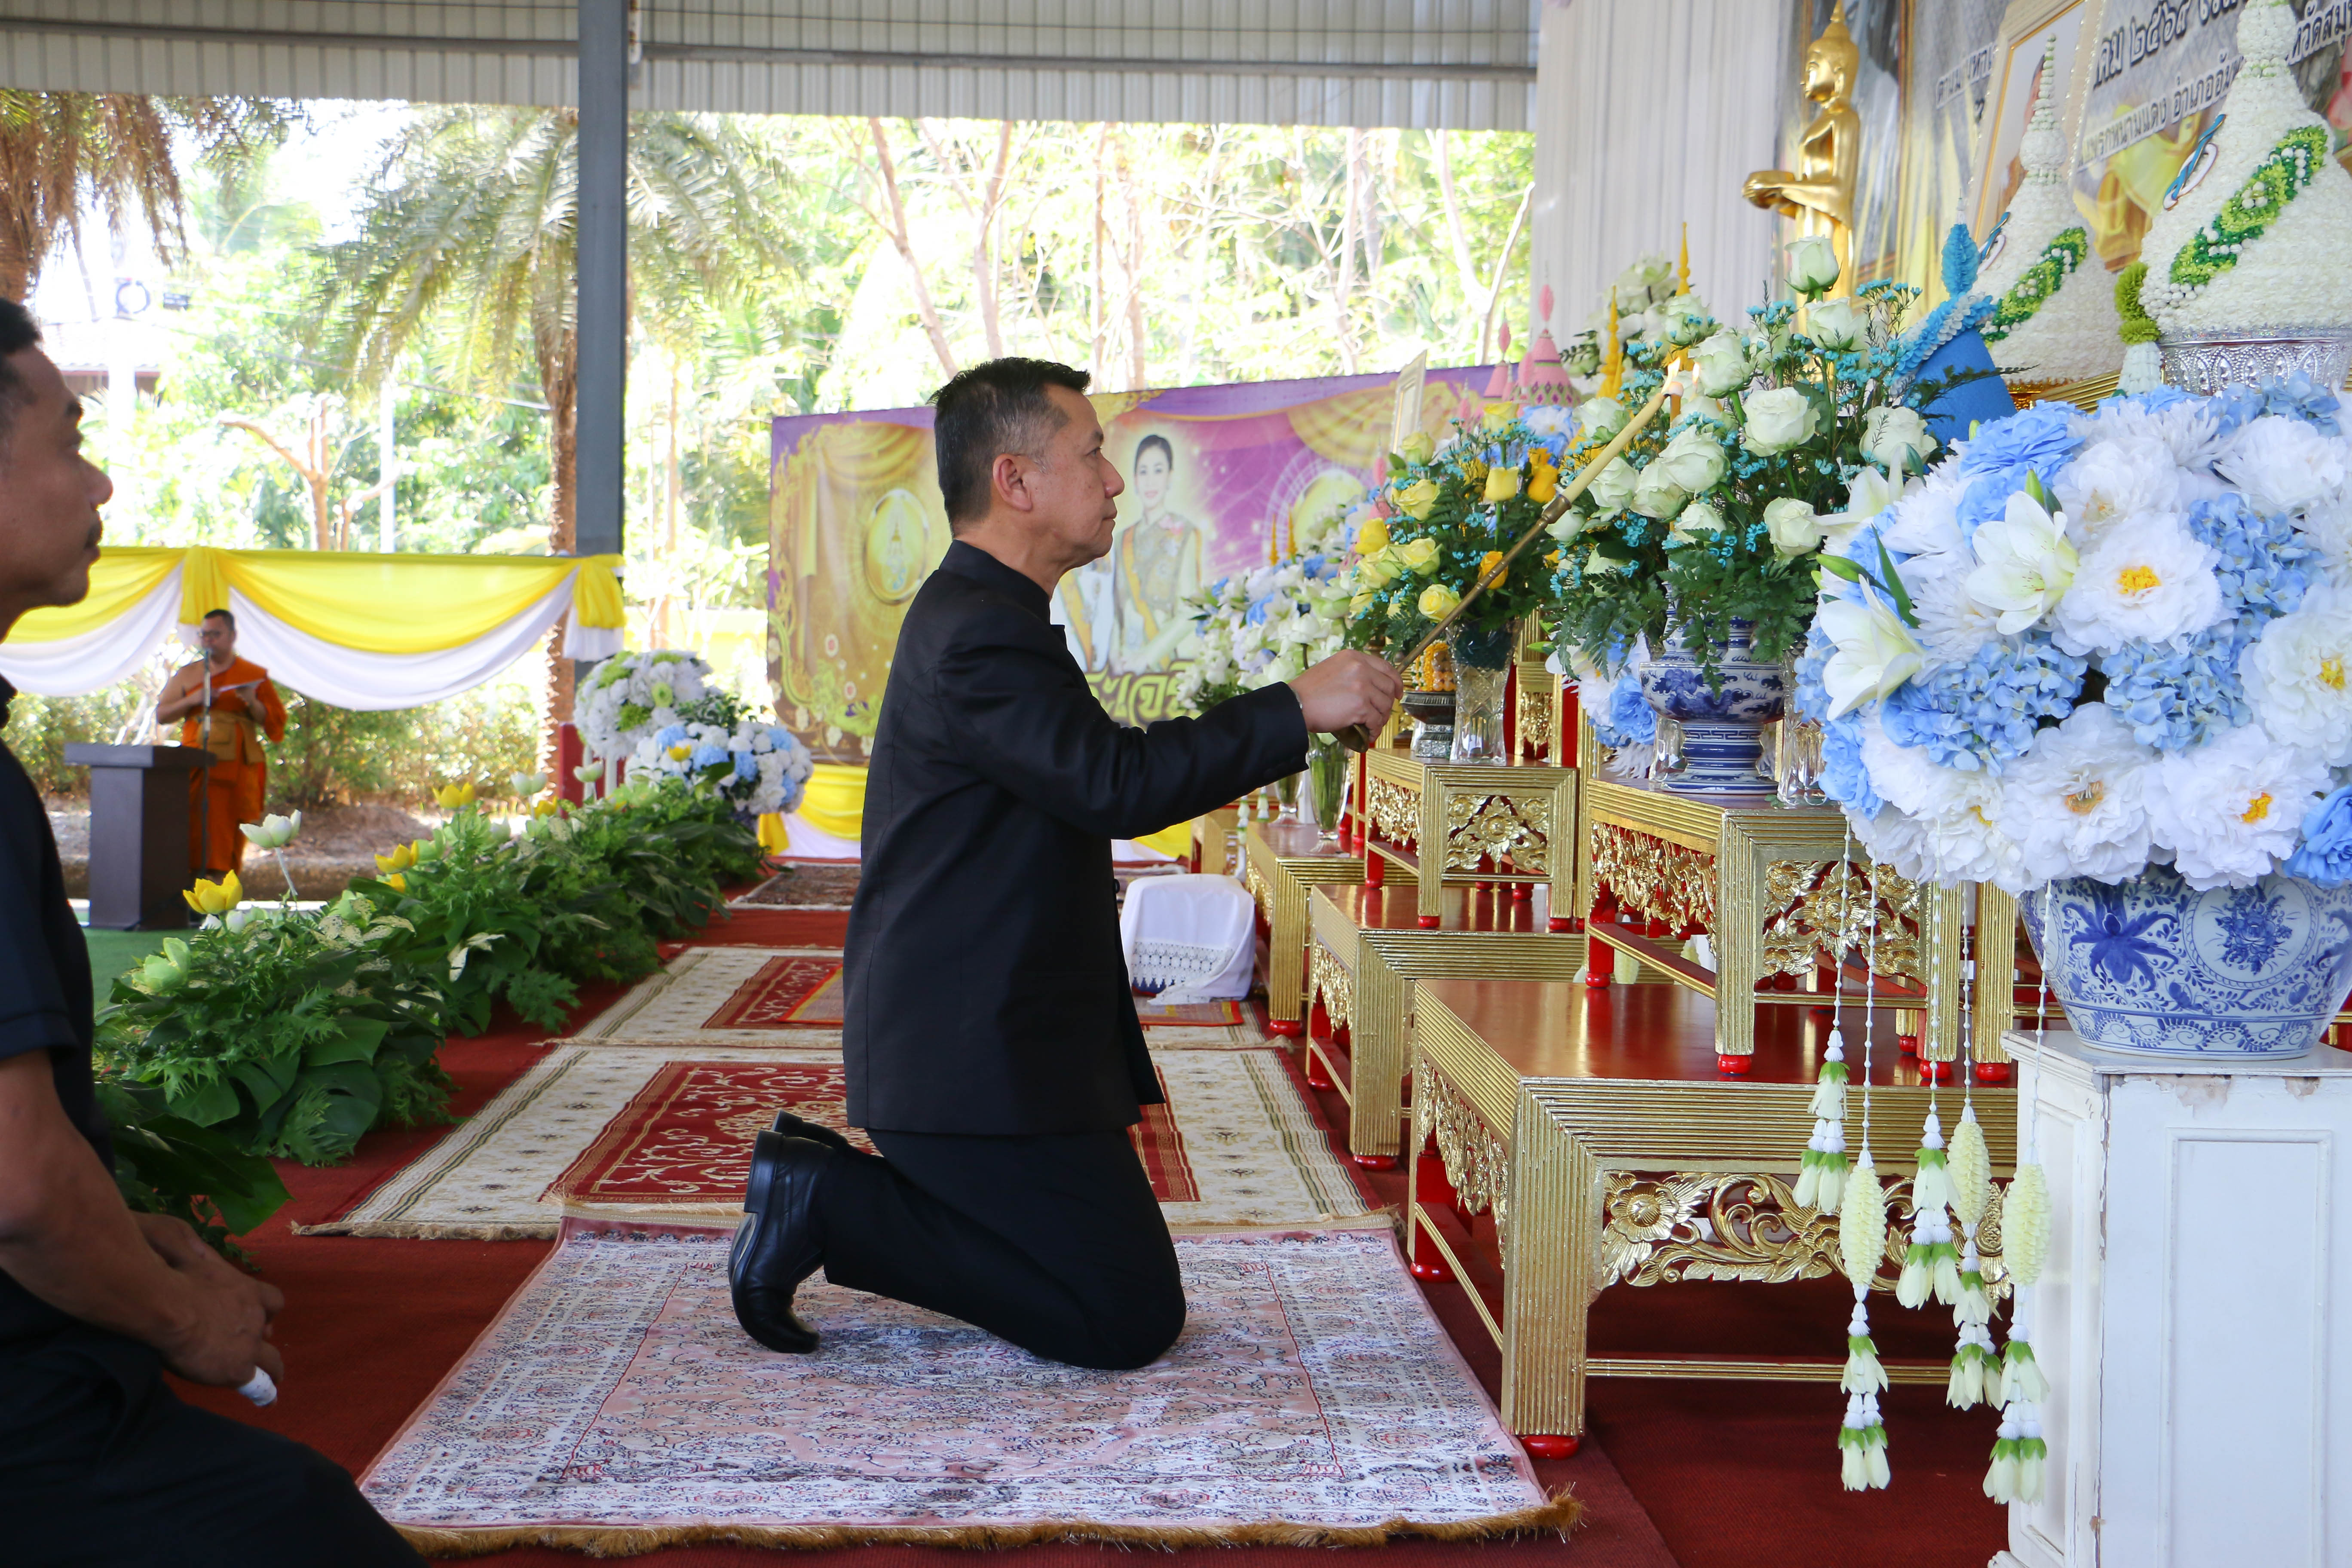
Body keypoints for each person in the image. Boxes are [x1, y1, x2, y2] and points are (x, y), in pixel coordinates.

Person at [730, 357, 1397, 1369]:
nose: (1115, 480)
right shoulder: (976, 636)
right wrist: (1292, 705)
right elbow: (1114, 782)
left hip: (1002, 1043)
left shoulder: (989, 616)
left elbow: (1094, 778)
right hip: (961, 1060)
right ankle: (827, 1201)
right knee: (1119, 1317)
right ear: (1015, 481)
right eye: (1091, 455)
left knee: (1115, 1297)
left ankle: (825, 1191)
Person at [0, 299, 422, 1565]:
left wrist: (128, 1239)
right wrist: (184, 1322)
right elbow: (17, 1184)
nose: (102, 476)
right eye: (70, 437)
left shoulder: (230, 683)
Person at [155, 608, 285, 880]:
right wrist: (192, 700)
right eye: (205, 635)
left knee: (231, 833)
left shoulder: (253, 674)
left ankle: (223, 895)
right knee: (197, 828)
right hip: (198, 765)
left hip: (238, 768)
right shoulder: (189, 675)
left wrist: (252, 700)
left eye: (215, 634)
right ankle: (193, 895)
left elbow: (274, 725)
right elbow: (163, 714)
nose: (209, 640)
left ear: (232, 636)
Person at [1106, 432, 1204, 673]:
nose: (1150, 481)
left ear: (1170, 477)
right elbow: (1118, 611)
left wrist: (1148, 656)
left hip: (1163, 665)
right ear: (1135, 480)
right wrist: (1114, 656)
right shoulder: (1122, 539)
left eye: (1158, 471)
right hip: (1124, 669)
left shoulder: (1185, 534)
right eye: (1144, 472)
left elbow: (1191, 610)